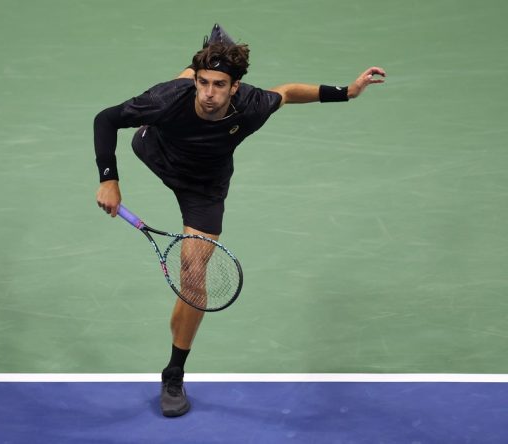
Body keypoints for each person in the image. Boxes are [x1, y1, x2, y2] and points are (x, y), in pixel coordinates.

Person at [93, 24, 386, 417]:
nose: (209, 93)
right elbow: (106, 119)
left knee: (193, 278)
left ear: (236, 87)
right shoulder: (169, 99)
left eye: (219, 84)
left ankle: (174, 373)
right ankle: (209, 53)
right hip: (155, 149)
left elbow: (287, 92)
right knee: (173, 93)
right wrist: (109, 179)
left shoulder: (251, 105)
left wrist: (347, 92)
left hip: (204, 187)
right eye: (203, 82)